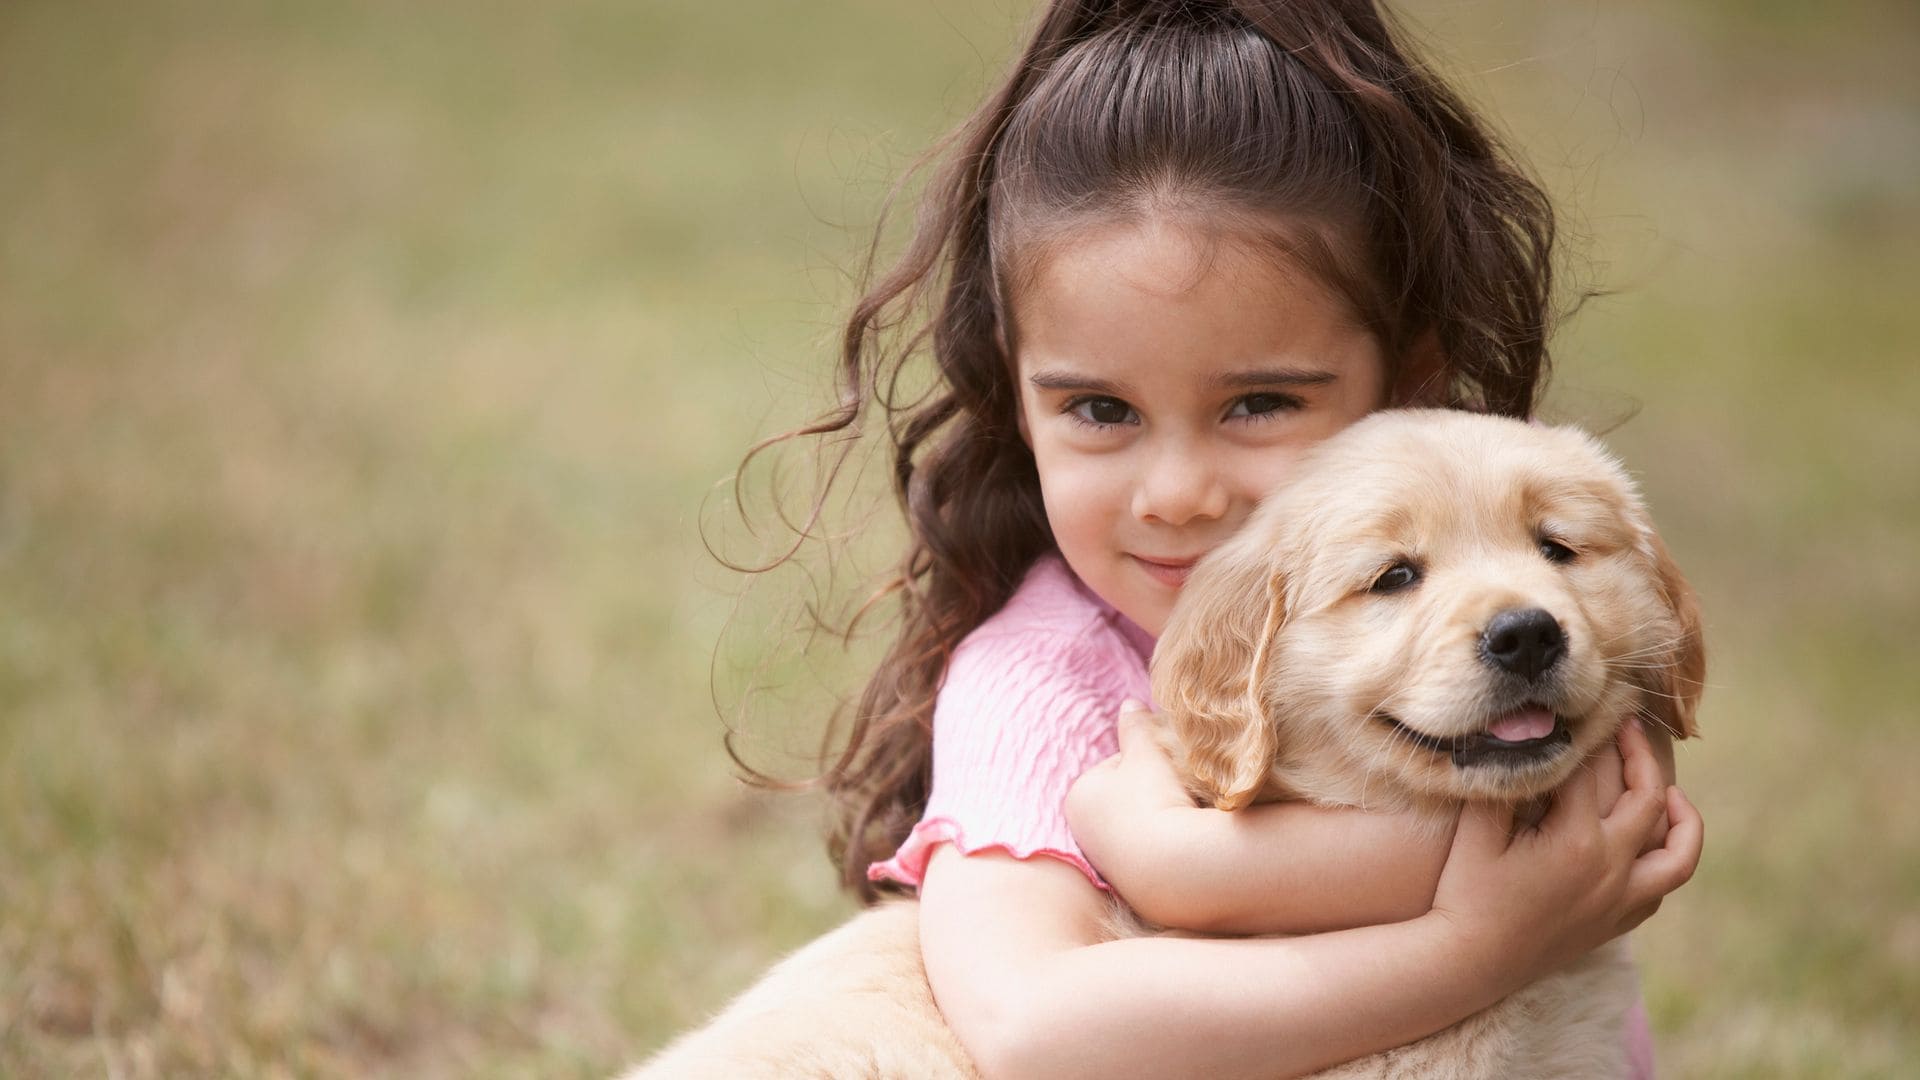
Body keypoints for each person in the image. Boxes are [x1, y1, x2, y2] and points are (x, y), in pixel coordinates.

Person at [735, 2, 1703, 1077]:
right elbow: (1031, 1027)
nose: (1181, 494)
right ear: (1018, 406)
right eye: (1102, 411)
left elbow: (1614, 787)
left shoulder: (1500, 537)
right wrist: (1473, 941)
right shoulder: (1043, 684)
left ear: (1410, 382)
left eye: (1257, 403)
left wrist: (1183, 859)